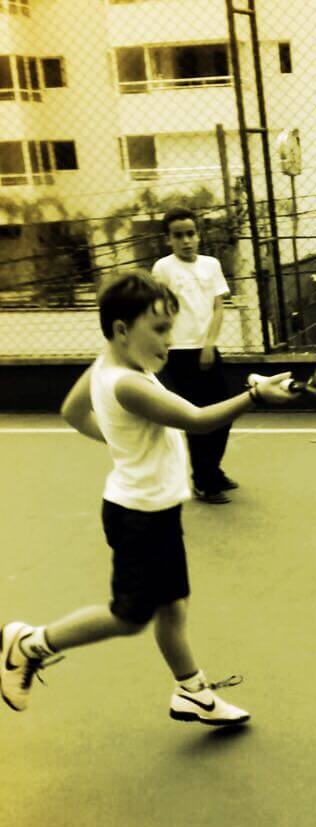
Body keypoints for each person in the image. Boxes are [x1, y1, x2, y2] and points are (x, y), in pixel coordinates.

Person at [0, 270, 293, 724]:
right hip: (138, 518)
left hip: (155, 509)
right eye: (159, 329)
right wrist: (255, 395)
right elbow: (198, 421)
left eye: (170, 329)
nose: (168, 341)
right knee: (129, 617)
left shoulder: (108, 363)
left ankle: (191, 692)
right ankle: (28, 643)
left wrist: (122, 443)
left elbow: (72, 411)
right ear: (122, 330)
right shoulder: (127, 384)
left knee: (173, 607)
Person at [152, 207, 236, 504]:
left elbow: (218, 308)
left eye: (190, 234)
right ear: (168, 240)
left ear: (199, 235)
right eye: (178, 236)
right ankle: (203, 481)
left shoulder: (211, 265)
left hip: (208, 350)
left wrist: (209, 345)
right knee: (197, 418)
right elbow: (159, 310)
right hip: (179, 354)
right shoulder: (163, 268)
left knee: (224, 414)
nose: (186, 241)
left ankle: (212, 470)